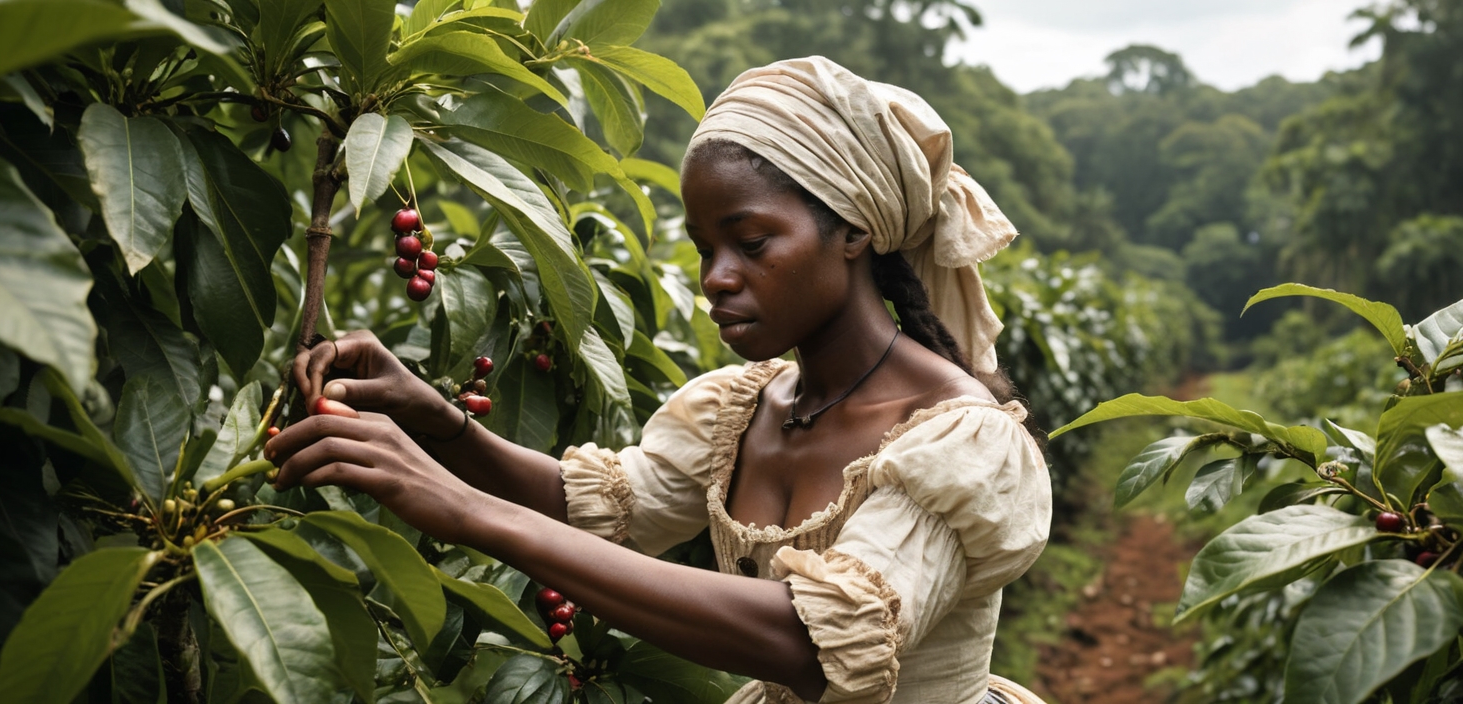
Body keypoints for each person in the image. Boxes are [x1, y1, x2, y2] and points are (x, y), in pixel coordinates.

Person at [268, 56, 1051, 704]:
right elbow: (600, 510)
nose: (717, 278)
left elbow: (807, 641)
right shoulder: (746, 409)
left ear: (853, 231)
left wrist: (467, 512)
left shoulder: (961, 438)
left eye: (750, 241)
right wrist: (433, 419)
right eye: (706, 248)